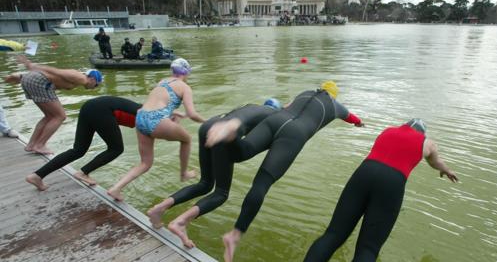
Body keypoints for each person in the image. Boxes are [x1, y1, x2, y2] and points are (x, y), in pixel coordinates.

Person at [205, 81, 364, 262]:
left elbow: (286, 106)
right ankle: (234, 235)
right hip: (295, 134)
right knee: (261, 184)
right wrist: (360, 124)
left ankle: (232, 135)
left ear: (320, 88)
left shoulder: (305, 91)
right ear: (334, 95)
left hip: (275, 119)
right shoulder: (336, 106)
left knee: (243, 151)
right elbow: (352, 118)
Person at [303, 119, 458, 262]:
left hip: (364, 172)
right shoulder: (428, 143)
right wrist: (447, 170)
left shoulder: (388, 130)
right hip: (392, 181)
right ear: (423, 133)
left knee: (333, 235)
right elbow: (434, 161)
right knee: (368, 249)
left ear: (404, 125)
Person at [147, 98, 282, 248]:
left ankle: (159, 209)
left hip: (209, 126)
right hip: (223, 135)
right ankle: (180, 222)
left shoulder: (251, 105)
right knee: (221, 193)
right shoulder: (274, 117)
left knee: (204, 184)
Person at [107, 58, 205, 201]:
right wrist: (208, 121)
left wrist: (172, 114)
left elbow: (156, 104)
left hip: (140, 117)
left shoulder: (162, 82)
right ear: (186, 72)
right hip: (156, 119)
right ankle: (184, 174)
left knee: (145, 163)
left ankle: (116, 188)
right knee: (187, 139)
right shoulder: (184, 87)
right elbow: (192, 114)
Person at [25, 96, 141, 191]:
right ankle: (83, 172)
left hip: (89, 106)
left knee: (78, 150)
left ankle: (37, 176)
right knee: (116, 149)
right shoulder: (149, 117)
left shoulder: (147, 111)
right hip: (102, 110)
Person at [3, 56, 102, 154]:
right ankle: (40, 145)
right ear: (93, 79)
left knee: (49, 116)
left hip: (33, 80)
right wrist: (34, 66)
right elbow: (55, 71)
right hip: (39, 81)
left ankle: (31, 145)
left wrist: (23, 76)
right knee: (60, 116)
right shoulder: (81, 78)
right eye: (96, 85)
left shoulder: (78, 80)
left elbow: (54, 78)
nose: (94, 88)